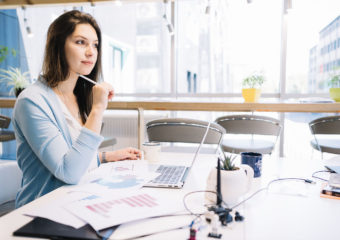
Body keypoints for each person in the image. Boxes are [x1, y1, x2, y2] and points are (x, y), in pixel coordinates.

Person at [12, 10, 141, 208]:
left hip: (79, 201)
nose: (91, 52)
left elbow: (75, 158)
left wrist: (106, 157)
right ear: (58, 46)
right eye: (81, 42)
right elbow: (68, 171)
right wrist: (98, 109)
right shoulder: (31, 101)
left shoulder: (79, 95)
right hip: (41, 212)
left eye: (95, 45)